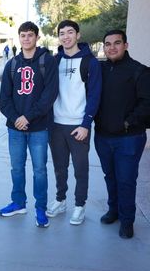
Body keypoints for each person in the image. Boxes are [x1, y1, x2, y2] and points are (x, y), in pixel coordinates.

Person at [0, 21, 58, 228]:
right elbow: (3, 99)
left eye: (30, 35)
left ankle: (40, 207)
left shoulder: (47, 61)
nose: (26, 39)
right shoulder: (12, 64)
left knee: (40, 169)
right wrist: (16, 118)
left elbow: (49, 95)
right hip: (15, 128)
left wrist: (28, 117)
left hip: (39, 127)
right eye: (22, 35)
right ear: (19, 38)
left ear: (37, 38)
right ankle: (18, 202)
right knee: (16, 168)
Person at [94, 30, 150, 239]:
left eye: (117, 43)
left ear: (126, 45)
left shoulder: (140, 71)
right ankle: (114, 211)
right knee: (110, 177)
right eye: (107, 44)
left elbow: (147, 103)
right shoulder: (100, 69)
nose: (112, 47)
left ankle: (127, 221)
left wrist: (127, 123)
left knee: (126, 180)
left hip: (129, 138)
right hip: (102, 136)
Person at [46, 20, 102, 225]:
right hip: (56, 125)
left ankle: (80, 205)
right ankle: (60, 200)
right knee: (60, 168)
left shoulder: (90, 62)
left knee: (80, 169)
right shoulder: (54, 60)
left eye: (70, 32)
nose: (66, 36)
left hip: (78, 125)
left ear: (78, 35)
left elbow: (95, 95)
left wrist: (86, 124)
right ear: (59, 37)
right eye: (62, 33)